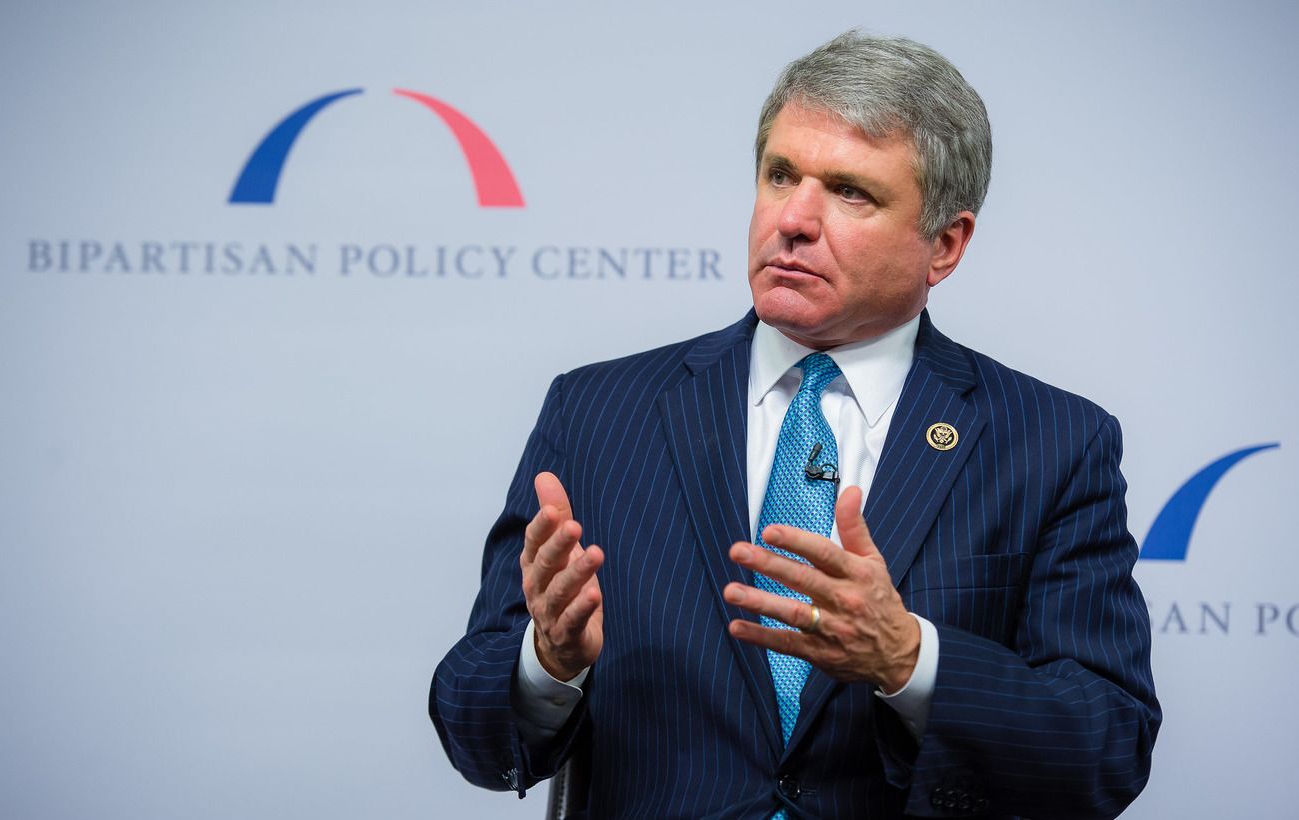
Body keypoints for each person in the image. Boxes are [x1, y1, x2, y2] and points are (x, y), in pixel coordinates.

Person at [431, 31, 1159, 819]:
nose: (794, 219)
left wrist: (909, 661)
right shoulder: (598, 413)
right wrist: (547, 665)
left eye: (851, 192)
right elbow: (473, 733)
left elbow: (1105, 748)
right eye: (780, 175)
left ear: (945, 245)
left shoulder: (1052, 444)